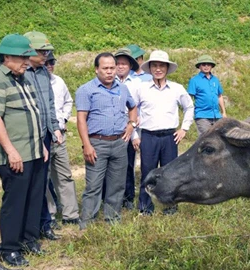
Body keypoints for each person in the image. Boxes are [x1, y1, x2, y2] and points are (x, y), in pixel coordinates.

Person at [0, 34, 46, 268]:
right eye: (22, 57)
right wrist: (11, 151)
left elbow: (32, 114)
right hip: (15, 154)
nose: (27, 61)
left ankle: (28, 240)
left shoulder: (23, 78)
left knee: (33, 198)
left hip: (33, 150)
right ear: (7, 56)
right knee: (15, 202)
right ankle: (9, 247)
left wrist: (40, 144)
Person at [75, 53, 138, 229]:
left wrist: (131, 124)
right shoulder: (86, 90)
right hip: (97, 143)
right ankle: (87, 223)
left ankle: (113, 220)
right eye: (105, 68)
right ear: (97, 70)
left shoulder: (123, 88)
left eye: (112, 68)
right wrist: (87, 145)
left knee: (117, 185)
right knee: (94, 185)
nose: (110, 72)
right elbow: (81, 120)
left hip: (119, 142)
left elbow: (133, 107)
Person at [131, 50, 193, 215]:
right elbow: (130, 110)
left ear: (167, 68)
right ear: (150, 68)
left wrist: (184, 128)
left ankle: (170, 207)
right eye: (155, 66)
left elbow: (189, 107)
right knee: (148, 173)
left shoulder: (176, 89)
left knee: (169, 174)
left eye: (161, 66)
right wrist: (134, 135)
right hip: (149, 137)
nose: (158, 69)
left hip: (169, 137)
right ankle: (145, 208)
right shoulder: (141, 88)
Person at [23, 31, 62, 241]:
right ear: (29, 51)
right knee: (28, 183)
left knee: (42, 182)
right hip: (28, 136)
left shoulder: (43, 73)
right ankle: (28, 228)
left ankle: (44, 224)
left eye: (47, 50)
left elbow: (49, 104)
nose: (46, 54)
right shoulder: (21, 74)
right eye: (42, 51)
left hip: (45, 135)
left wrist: (54, 127)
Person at [45, 52, 81, 225]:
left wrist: (65, 118)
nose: (50, 65)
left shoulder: (58, 81)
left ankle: (71, 214)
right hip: (43, 136)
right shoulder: (31, 82)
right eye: (46, 62)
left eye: (52, 62)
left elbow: (68, 101)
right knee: (43, 179)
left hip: (60, 136)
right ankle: (49, 214)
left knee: (64, 175)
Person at [114, 47, 141, 210]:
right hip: (112, 129)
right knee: (112, 165)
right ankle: (111, 197)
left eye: (124, 63)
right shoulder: (108, 81)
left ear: (130, 66)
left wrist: (135, 132)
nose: (121, 66)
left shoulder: (138, 84)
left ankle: (128, 197)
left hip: (131, 129)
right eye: (118, 63)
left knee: (129, 163)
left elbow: (140, 108)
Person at [187, 54, 226, 136]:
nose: (206, 66)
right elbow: (189, 98)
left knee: (218, 139)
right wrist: (189, 113)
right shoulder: (194, 80)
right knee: (206, 138)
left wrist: (223, 112)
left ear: (211, 66)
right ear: (199, 66)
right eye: (203, 64)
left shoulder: (215, 80)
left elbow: (219, 96)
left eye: (208, 64)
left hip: (216, 115)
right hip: (202, 115)